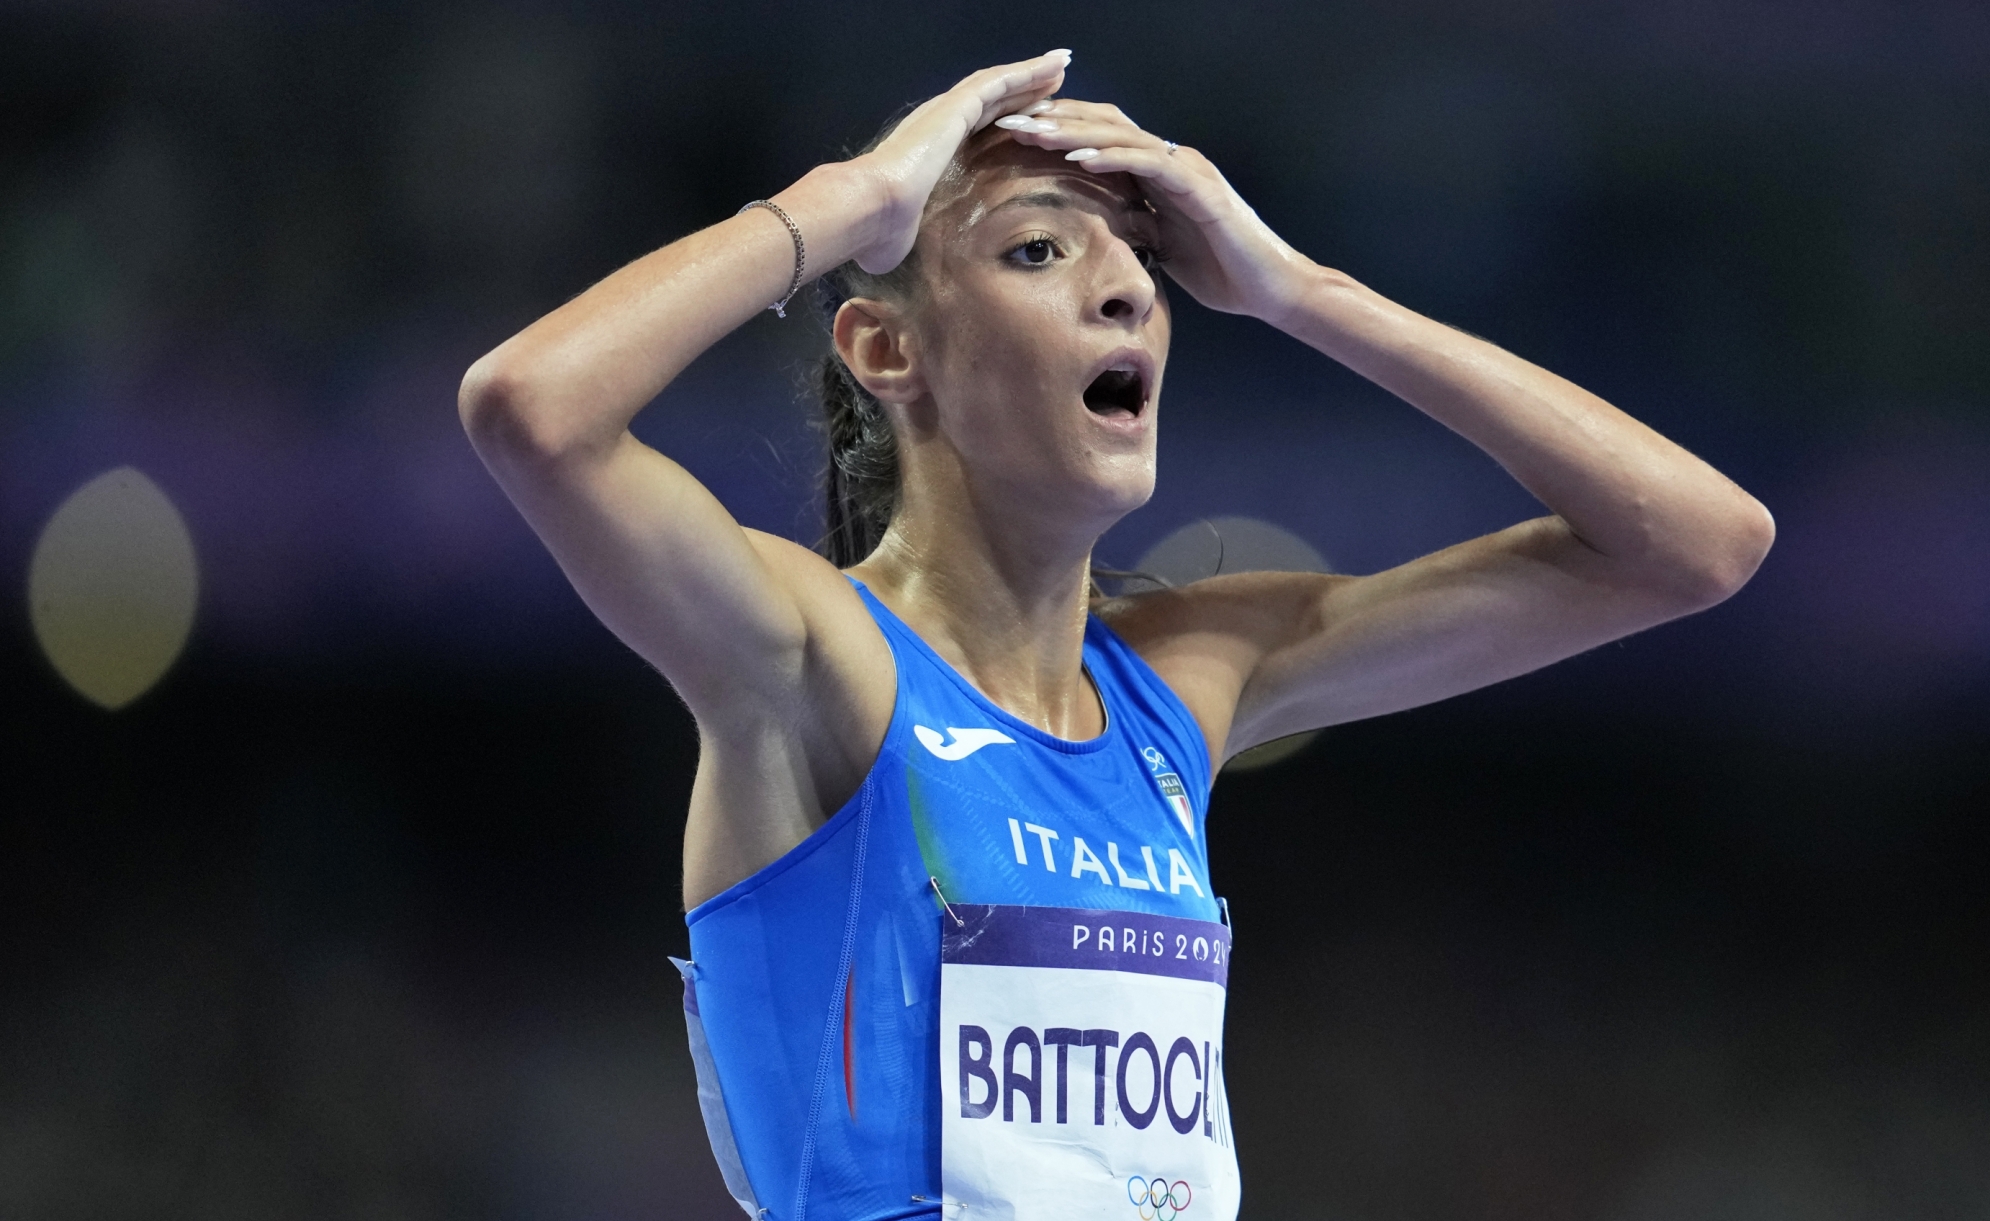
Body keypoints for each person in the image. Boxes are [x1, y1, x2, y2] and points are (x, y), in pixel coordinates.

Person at [459, 49, 1773, 1221]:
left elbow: (1694, 545)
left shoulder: (1183, 682)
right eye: (1039, 252)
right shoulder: (817, 660)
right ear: (885, 346)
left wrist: (1302, 291)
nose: (1125, 293)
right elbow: (533, 407)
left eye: (1140, 266)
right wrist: (851, 204)